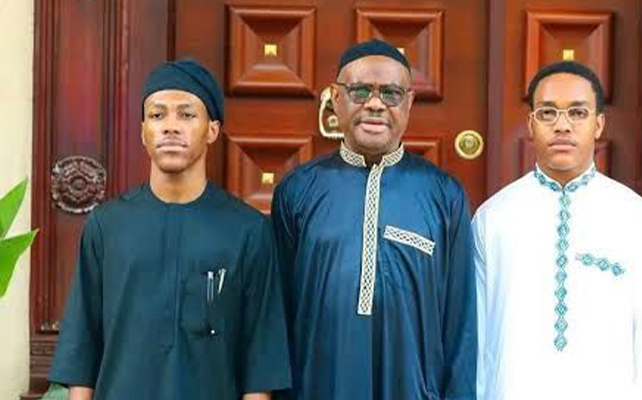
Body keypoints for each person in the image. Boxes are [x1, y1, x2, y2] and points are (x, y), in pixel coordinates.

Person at [49, 59, 291, 400]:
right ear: (143, 131)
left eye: (187, 114)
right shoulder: (107, 226)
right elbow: (82, 352)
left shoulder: (248, 231)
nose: (171, 127)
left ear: (212, 130)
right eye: (157, 115)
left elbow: (260, 366)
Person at [271, 39, 477, 400]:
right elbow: (277, 313)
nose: (375, 104)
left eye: (391, 93)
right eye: (360, 91)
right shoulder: (298, 191)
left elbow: (460, 322)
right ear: (336, 99)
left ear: (409, 103)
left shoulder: (444, 195)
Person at [472, 61, 642, 400]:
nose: (562, 125)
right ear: (531, 124)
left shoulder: (638, 219)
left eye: (577, 113)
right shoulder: (493, 218)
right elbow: (478, 334)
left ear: (598, 124)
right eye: (548, 113)